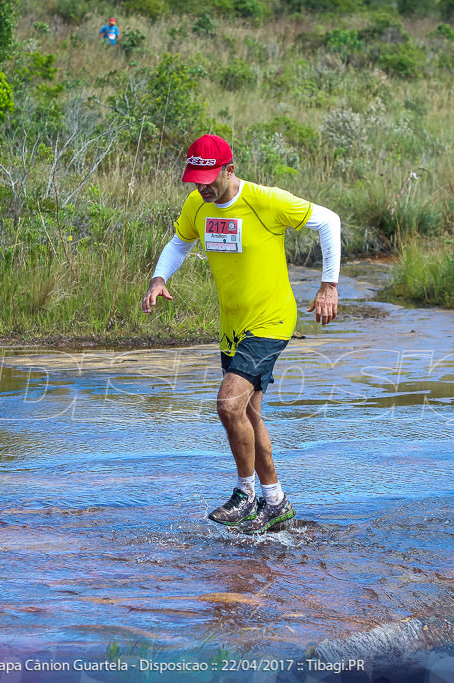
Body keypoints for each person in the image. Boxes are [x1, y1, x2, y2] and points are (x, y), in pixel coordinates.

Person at [141, 134, 341, 534]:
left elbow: (329, 221)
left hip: (271, 321)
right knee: (248, 413)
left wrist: (328, 285)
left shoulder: (265, 200)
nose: (201, 186)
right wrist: (159, 278)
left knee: (228, 404)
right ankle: (276, 501)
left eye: (209, 178)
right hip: (232, 327)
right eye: (195, 179)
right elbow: (179, 243)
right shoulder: (198, 205)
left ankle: (244, 495)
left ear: (230, 170)